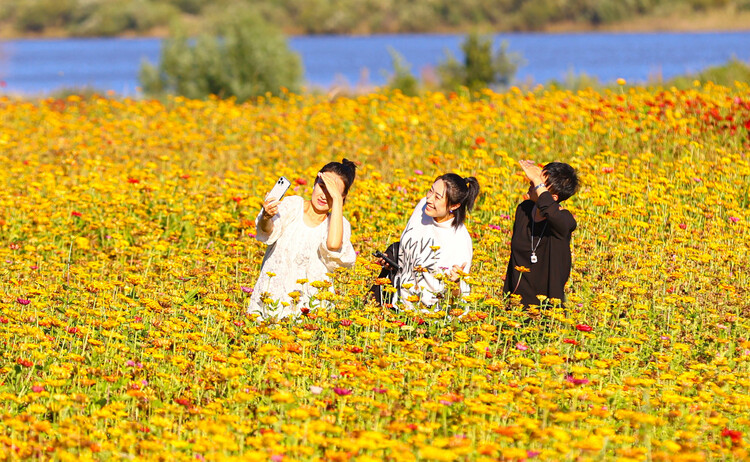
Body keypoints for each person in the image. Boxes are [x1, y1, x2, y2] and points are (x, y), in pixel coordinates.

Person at [248, 159, 357, 320]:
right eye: (322, 186)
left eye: (332, 192)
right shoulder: (293, 205)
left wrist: (338, 200)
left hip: (311, 311)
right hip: (272, 301)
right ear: (314, 183)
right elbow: (267, 230)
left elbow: (333, 245)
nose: (324, 195)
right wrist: (266, 216)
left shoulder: (338, 224)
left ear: (342, 197)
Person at [387, 173, 480, 309]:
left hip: (428, 318)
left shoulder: (459, 241)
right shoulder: (422, 207)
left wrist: (456, 284)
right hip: (397, 302)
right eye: (431, 190)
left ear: (454, 206)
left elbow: (460, 300)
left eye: (438, 197)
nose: (429, 199)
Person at [504, 160, 580, 308]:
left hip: (547, 312)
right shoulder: (524, 210)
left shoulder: (564, 221)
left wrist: (538, 181)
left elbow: (550, 213)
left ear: (554, 198)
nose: (532, 183)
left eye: (539, 184)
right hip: (515, 309)